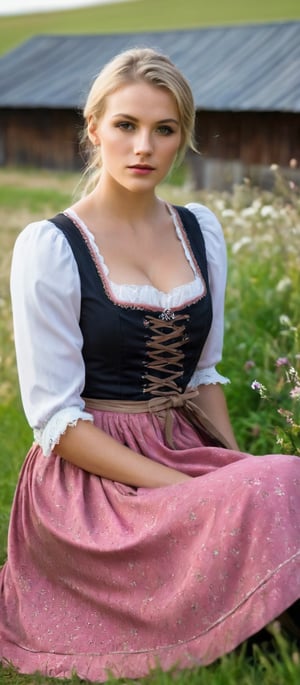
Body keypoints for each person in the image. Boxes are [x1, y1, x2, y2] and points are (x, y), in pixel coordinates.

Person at [0, 47, 299, 682]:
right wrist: (198, 492)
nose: (144, 147)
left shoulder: (200, 231)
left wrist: (236, 473)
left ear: (183, 138)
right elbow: (54, 421)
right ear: (94, 130)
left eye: (164, 130)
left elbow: (202, 377)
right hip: (91, 481)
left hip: (182, 444)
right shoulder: (51, 248)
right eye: (126, 126)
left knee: (281, 481)